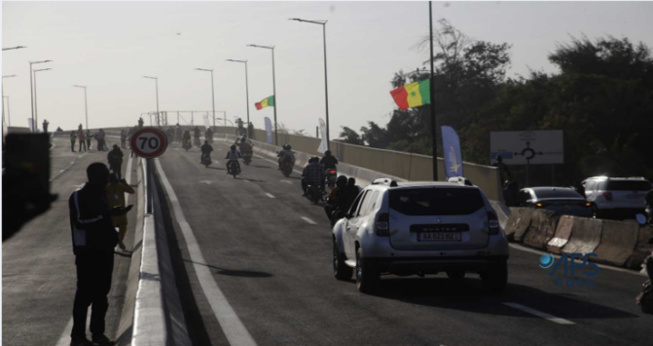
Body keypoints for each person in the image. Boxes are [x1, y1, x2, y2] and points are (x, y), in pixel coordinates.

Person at [68, 162, 132, 346]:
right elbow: (80, 221)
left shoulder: (101, 194)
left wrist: (112, 213)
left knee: (101, 296)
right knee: (84, 296)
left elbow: (101, 216)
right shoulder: (79, 196)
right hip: (87, 252)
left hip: (105, 250)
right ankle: (78, 337)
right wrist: (105, 215)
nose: (107, 179)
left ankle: (98, 334)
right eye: (104, 176)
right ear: (94, 177)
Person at [106, 174, 135, 250]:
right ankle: (115, 242)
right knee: (111, 231)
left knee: (123, 228)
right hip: (112, 213)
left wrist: (125, 184)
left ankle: (120, 241)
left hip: (121, 212)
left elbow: (132, 191)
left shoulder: (120, 186)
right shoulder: (106, 188)